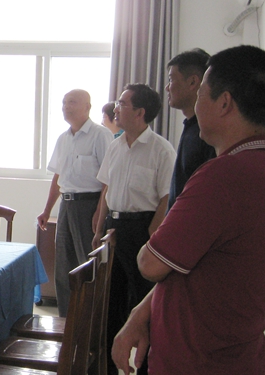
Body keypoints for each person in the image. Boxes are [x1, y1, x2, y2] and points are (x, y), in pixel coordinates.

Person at [112, 45, 265, 374]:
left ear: (224, 102)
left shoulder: (225, 175)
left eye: (202, 94)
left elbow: (151, 263)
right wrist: (143, 310)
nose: (197, 104)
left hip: (198, 357)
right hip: (239, 351)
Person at [92, 83, 176, 375]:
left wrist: (152, 234)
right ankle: (105, 367)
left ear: (140, 112)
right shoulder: (115, 145)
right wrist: (99, 228)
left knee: (141, 301)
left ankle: (145, 366)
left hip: (142, 229)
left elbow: (167, 197)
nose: (116, 108)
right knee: (110, 301)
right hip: (113, 228)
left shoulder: (161, 150)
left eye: (122, 103)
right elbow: (107, 189)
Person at [37, 89, 113, 317]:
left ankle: (90, 322)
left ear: (87, 107)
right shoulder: (63, 138)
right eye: (64, 102)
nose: (66, 107)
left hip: (89, 205)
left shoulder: (100, 135)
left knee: (87, 265)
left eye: (72, 102)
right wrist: (47, 210)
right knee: (63, 267)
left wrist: (99, 211)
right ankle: (66, 321)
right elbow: (58, 178)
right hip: (67, 206)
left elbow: (108, 178)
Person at [164, 48, 217, 211]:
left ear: (193, 82)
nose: (167, 88)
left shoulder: (208, 132)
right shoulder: (191, 127)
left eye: (171, 80)